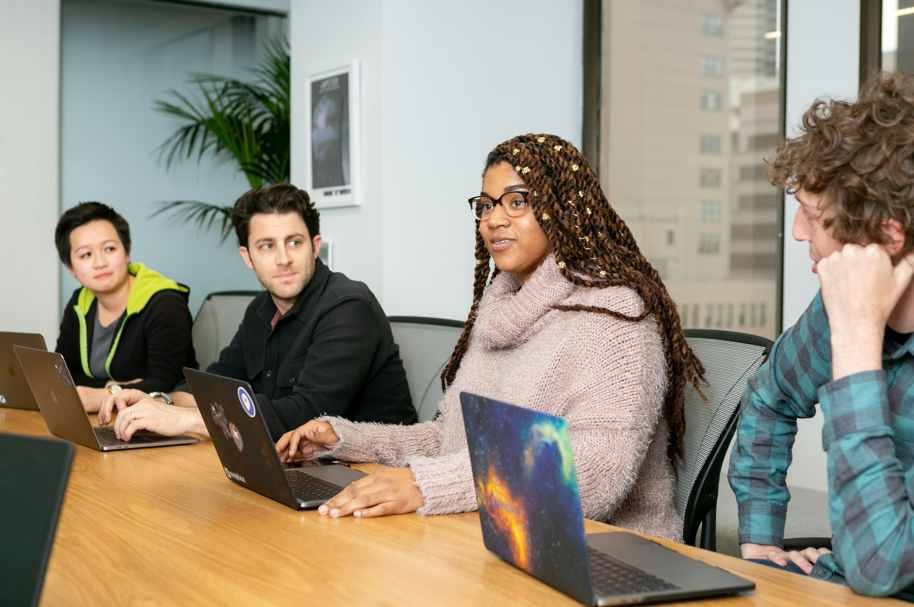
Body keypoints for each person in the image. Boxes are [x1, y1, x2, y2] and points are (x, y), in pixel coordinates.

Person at [276, 134, 706, 536]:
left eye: (517, 202)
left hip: (604, 549)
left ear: (564, 210)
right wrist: (345, 439)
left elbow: (595, 475)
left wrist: (429, 485)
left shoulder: (615, 316)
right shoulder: (499, 312)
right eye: (486, 205)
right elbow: (449, 440)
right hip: (500, 534)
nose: (494, 219)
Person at [728, 72, 914, 598]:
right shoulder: (838, 309)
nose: (797, 232)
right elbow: (769, 397)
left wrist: (857, 345)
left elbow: (884, 564)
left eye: (814, 216)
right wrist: (760, 544)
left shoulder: (849, 319)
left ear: (887, 237)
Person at [98, 184, 416, 441]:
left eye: (294, 242)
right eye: (266, 246)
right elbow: (215, 384)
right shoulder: (261, 309)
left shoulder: (349, 307)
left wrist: (182, 420)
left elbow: (305, 416)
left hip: (372, 475)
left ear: (315, 246)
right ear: (247, 257)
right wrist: (160, 402)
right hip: (298, 467)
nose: (283, 258)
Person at [54, 202, 198, 412]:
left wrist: (108, 394)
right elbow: (63, 374)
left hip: (168, 422)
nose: (100, 262)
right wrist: (108, 387)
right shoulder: (79, 302)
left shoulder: (165, 303)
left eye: (109, 249)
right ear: (70, 268)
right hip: (107, 418)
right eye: (86, 254)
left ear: (127, 252)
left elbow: (164, 384)